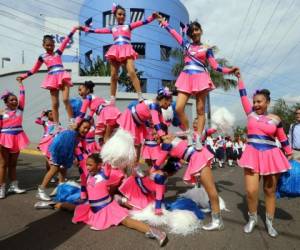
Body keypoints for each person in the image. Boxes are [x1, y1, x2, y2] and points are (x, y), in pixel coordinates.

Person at [157, 17, 239, 150]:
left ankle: (198, 138)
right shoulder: (186, 45)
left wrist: (230, 70)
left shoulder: (207, 49)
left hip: (201, 77)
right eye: (192, 31)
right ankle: (189, 132)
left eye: (197, 29)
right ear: (189, 34)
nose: (194, 32)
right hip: (186, 77)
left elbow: (216, 67)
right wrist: (163, 22)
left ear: (201, 31)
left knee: (200, 110)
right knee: (178, 108)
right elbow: (173, 32)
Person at [237, 75, 292, 237]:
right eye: (254, 102)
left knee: (269, 191)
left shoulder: (276, 119)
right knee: (251, 191)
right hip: (252, 154)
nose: (255, 105)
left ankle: (269, 222)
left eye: (259, 102)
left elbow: (283, 139)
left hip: (271, 156)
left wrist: (289, 153)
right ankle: (252, 218)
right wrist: (239, 78)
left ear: (267, 102)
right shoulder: (250, 114)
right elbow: (242, 95)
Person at [72, 154, 168, 246]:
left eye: (90, 165)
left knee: (126, 221)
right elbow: (80, 160)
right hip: (94, 210)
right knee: (77, 209)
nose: (88, 167)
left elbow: (108, 162)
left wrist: (111, 153)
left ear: (99, 165)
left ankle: (157, 233)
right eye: (87, 165)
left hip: (107, 208)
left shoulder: (104, 174)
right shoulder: (88, 174)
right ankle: (57, 205)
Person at [80, 4, 159, 103]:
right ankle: (112, 99)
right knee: (113, 75)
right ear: (115, 15)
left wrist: (152, 17)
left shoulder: (128, 26)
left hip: (126, 50)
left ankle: (140, 96)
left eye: (123, 15)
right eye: (119, 14)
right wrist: (84, 29)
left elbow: (143, 22)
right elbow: (97, 30)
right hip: (115, 51)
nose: (122, 16)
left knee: (131, 72)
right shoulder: (112, 28)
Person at [154, 134, 223, 231]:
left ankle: (217, 221)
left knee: (210, 189)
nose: (153, 137)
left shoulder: (167, 140)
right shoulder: (170, 139)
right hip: (196, 158)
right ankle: (213, 209)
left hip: (198, 157)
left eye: (154, 134)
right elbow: (177, 160)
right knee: (207, 187)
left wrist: (153, 169)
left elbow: (160, 159)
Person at [16, 26, 80, 127]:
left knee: (65, 99)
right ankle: (56, 125)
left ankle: (71, 120)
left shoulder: (58, 53)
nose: (50, 47)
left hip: (62, 76)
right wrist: (24, 76)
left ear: (54, 45)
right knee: (55, 104)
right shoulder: (42, 57)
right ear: (43, 45)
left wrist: (74, 29)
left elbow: (66, 40)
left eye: (51, 45)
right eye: (47, 45)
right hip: (52, 79)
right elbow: (34, 69)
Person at [36, 119, 91, 201]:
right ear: (79, 126)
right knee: (55, 168)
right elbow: (61, 147)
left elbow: (79, 149)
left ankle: (60, 188)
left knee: (63, 168)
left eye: (88, 128)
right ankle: (41, 191)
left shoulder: (80, 136)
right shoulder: (71, 134)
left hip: (60, 149)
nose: (86, 130)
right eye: (84, 127)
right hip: (53, 149)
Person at [0, 82, 29, 199]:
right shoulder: (2, 113)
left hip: (18, 138)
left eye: (15, 100)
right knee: (3, 164)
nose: (15, 101)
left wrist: (21, 84)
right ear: (6, 102)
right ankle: (1, 188)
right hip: (5, 138)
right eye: (11, 100)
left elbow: (22, 97)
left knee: (13, 164)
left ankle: (13, 185)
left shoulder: (20, 110)